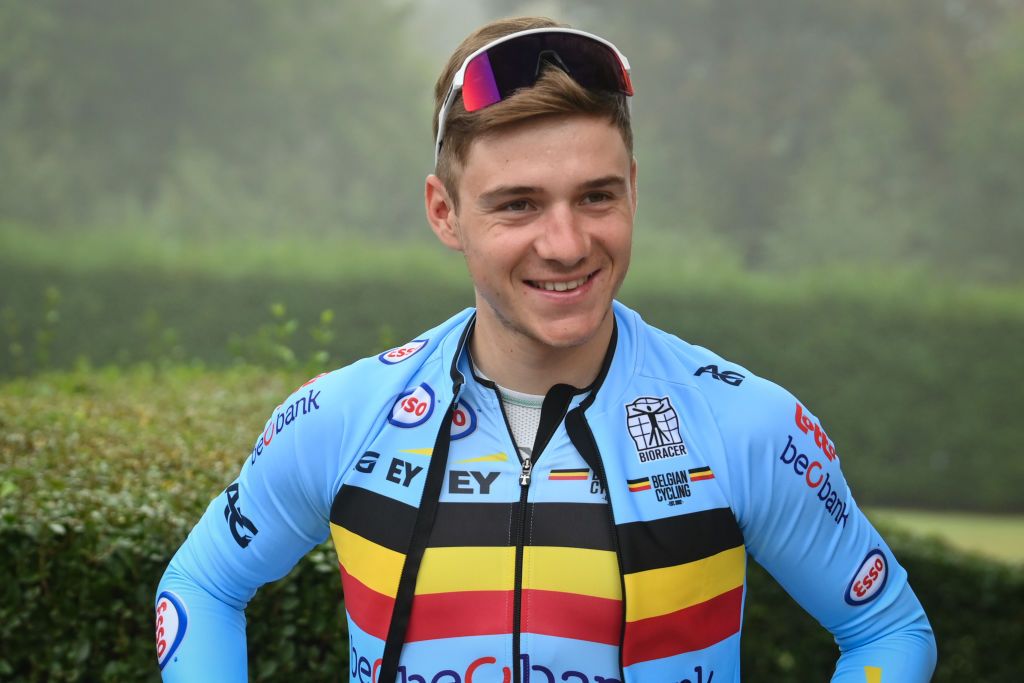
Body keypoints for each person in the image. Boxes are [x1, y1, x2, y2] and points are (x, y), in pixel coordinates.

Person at [155, 16, 937, 683]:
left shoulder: (742, 422)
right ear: (444, 212)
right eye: (518, 205)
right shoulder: (345, 416)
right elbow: (198, 586)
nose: (566, 244)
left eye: (597, 196)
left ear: (634, 187)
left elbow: (889, 630)